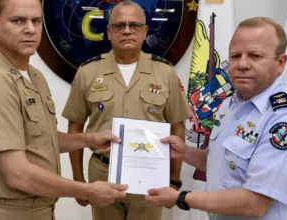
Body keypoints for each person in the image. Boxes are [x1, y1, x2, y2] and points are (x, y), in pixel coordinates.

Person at [0, 0, 128, 219]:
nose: (29, 29)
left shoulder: (33, 76)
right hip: (7, 213)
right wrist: (87, 190)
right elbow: (17, 174)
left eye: (36, 21)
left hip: (40, 211)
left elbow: (42, 140)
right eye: (17, 20)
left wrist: (89, 140)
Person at [145, 17, 287, 219]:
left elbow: (255, 203)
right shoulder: (231, 103)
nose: (242, 64)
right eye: (236, 56)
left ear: (280, 63)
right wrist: (184, 152)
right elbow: (222, 163)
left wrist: (181, 198)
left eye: (255, 56)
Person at [61, 1, 193, 220]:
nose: (127, 30)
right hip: (103, 172)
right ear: (109, 32)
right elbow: (75, 125)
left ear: (145, 31)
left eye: (134, 25)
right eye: (119, 25)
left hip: (150, 173)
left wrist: (174, 179)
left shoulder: (165, 72)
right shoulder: (88, 72)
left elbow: (177, 127)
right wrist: (78, 179)